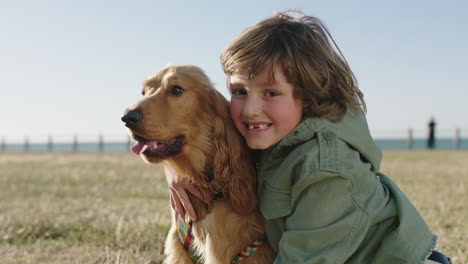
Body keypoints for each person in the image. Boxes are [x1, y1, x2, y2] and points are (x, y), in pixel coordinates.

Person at [165, 11, 452, 264]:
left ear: (308, 97)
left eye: (271, 93)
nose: (250, 110)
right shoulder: (270, 134)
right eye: (240, 91)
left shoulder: (326, 169)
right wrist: (173, 168)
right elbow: (204, 144)